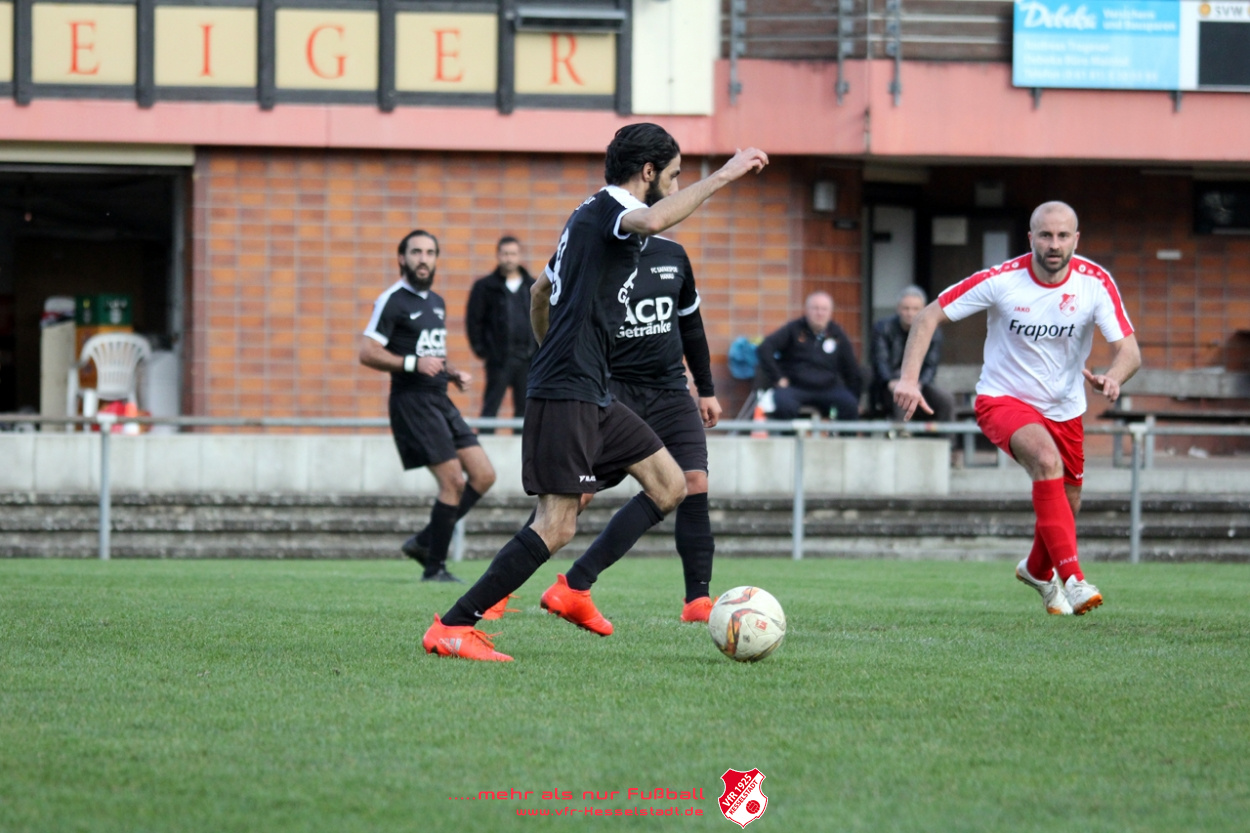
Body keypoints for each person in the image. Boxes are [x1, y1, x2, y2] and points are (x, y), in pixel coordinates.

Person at [421, 123, 768, 661]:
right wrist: (725, 174)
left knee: (670, 483)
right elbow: (653, 219)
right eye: (675, 176)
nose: (677, 187)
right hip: (569, 390)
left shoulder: (585, 217)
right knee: (557, 525)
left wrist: (558, 353)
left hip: (591, 387)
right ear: (648, 172)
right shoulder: (612, 208)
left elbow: (540, 292)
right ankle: (454, 625)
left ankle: (576, 589)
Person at [893, 201, 1140, 616]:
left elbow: (1129, 351)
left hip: (1065, 407)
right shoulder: (1002, 280)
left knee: (1068, 503)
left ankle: (1036, 569)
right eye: (1045, 235)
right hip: (1003, 399)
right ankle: (1074, 580)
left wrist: (1114, 377)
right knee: (1046, 460)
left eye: (1063, 236)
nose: (1054, 244)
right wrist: (908, 379)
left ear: (1076, 239)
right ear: (1031, 238)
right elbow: (927, 317)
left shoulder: (1095, 282)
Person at [360, 230, 497, 583]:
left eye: (430, 252)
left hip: (440, 399)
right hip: (413, 402)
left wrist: (451, 373)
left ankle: (424, 541)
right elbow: (367, 352)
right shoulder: (392, 300)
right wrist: (412, 363)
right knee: (452, 480)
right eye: (416, 252)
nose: (423, 259)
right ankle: (435, 567)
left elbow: (428, 353)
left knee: (484, 475)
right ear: (401, 258)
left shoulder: (436, 301)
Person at [598, 235, 722, 623]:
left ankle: (697, 600)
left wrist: (706, 390)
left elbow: (692, 326)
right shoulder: (597, 253)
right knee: (572, 494)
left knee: (694, 481)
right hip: (615, 392)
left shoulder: (673, 254)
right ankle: (508, 589)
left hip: (671, 392)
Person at [757, 292, 863, 421]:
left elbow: (851, 368)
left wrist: (855, 398)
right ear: (806, 310)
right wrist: (778, 377)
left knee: (849, 404)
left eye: (824, 309)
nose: (820, 313)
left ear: (830, 312)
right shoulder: (794, 329)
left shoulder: (837, 334)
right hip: (795, 387)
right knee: (783, 403)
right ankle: (789, 435)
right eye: (815, 308)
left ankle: (843, 435)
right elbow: (765, 348)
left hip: (828, 388)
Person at [465, 236, 537, 428]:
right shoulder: (485, 287)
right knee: (491, 407)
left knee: (525, 409)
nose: (509, 258)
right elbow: (474, 321)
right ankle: (484, 444)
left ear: (519, 256)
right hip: (499, 359)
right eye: (505, 254)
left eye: (513, 254)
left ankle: (522, 445)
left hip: (527, 358)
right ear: (498, 255)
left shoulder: (533, 286)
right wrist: (483, 350)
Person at [869, 285, 954, 422]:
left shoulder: (934, 332)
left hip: (921, 384)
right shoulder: (883, 328)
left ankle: (947, 436)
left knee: (946, 400)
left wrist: (920, 383)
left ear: (924, 309)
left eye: (915, 309)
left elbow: (931, 364)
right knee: (902, 393)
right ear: (898, 308)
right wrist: (890, 381)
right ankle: (902, 434)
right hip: (888, 386)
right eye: (906, 308)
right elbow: (880, 361)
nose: (910, 313)